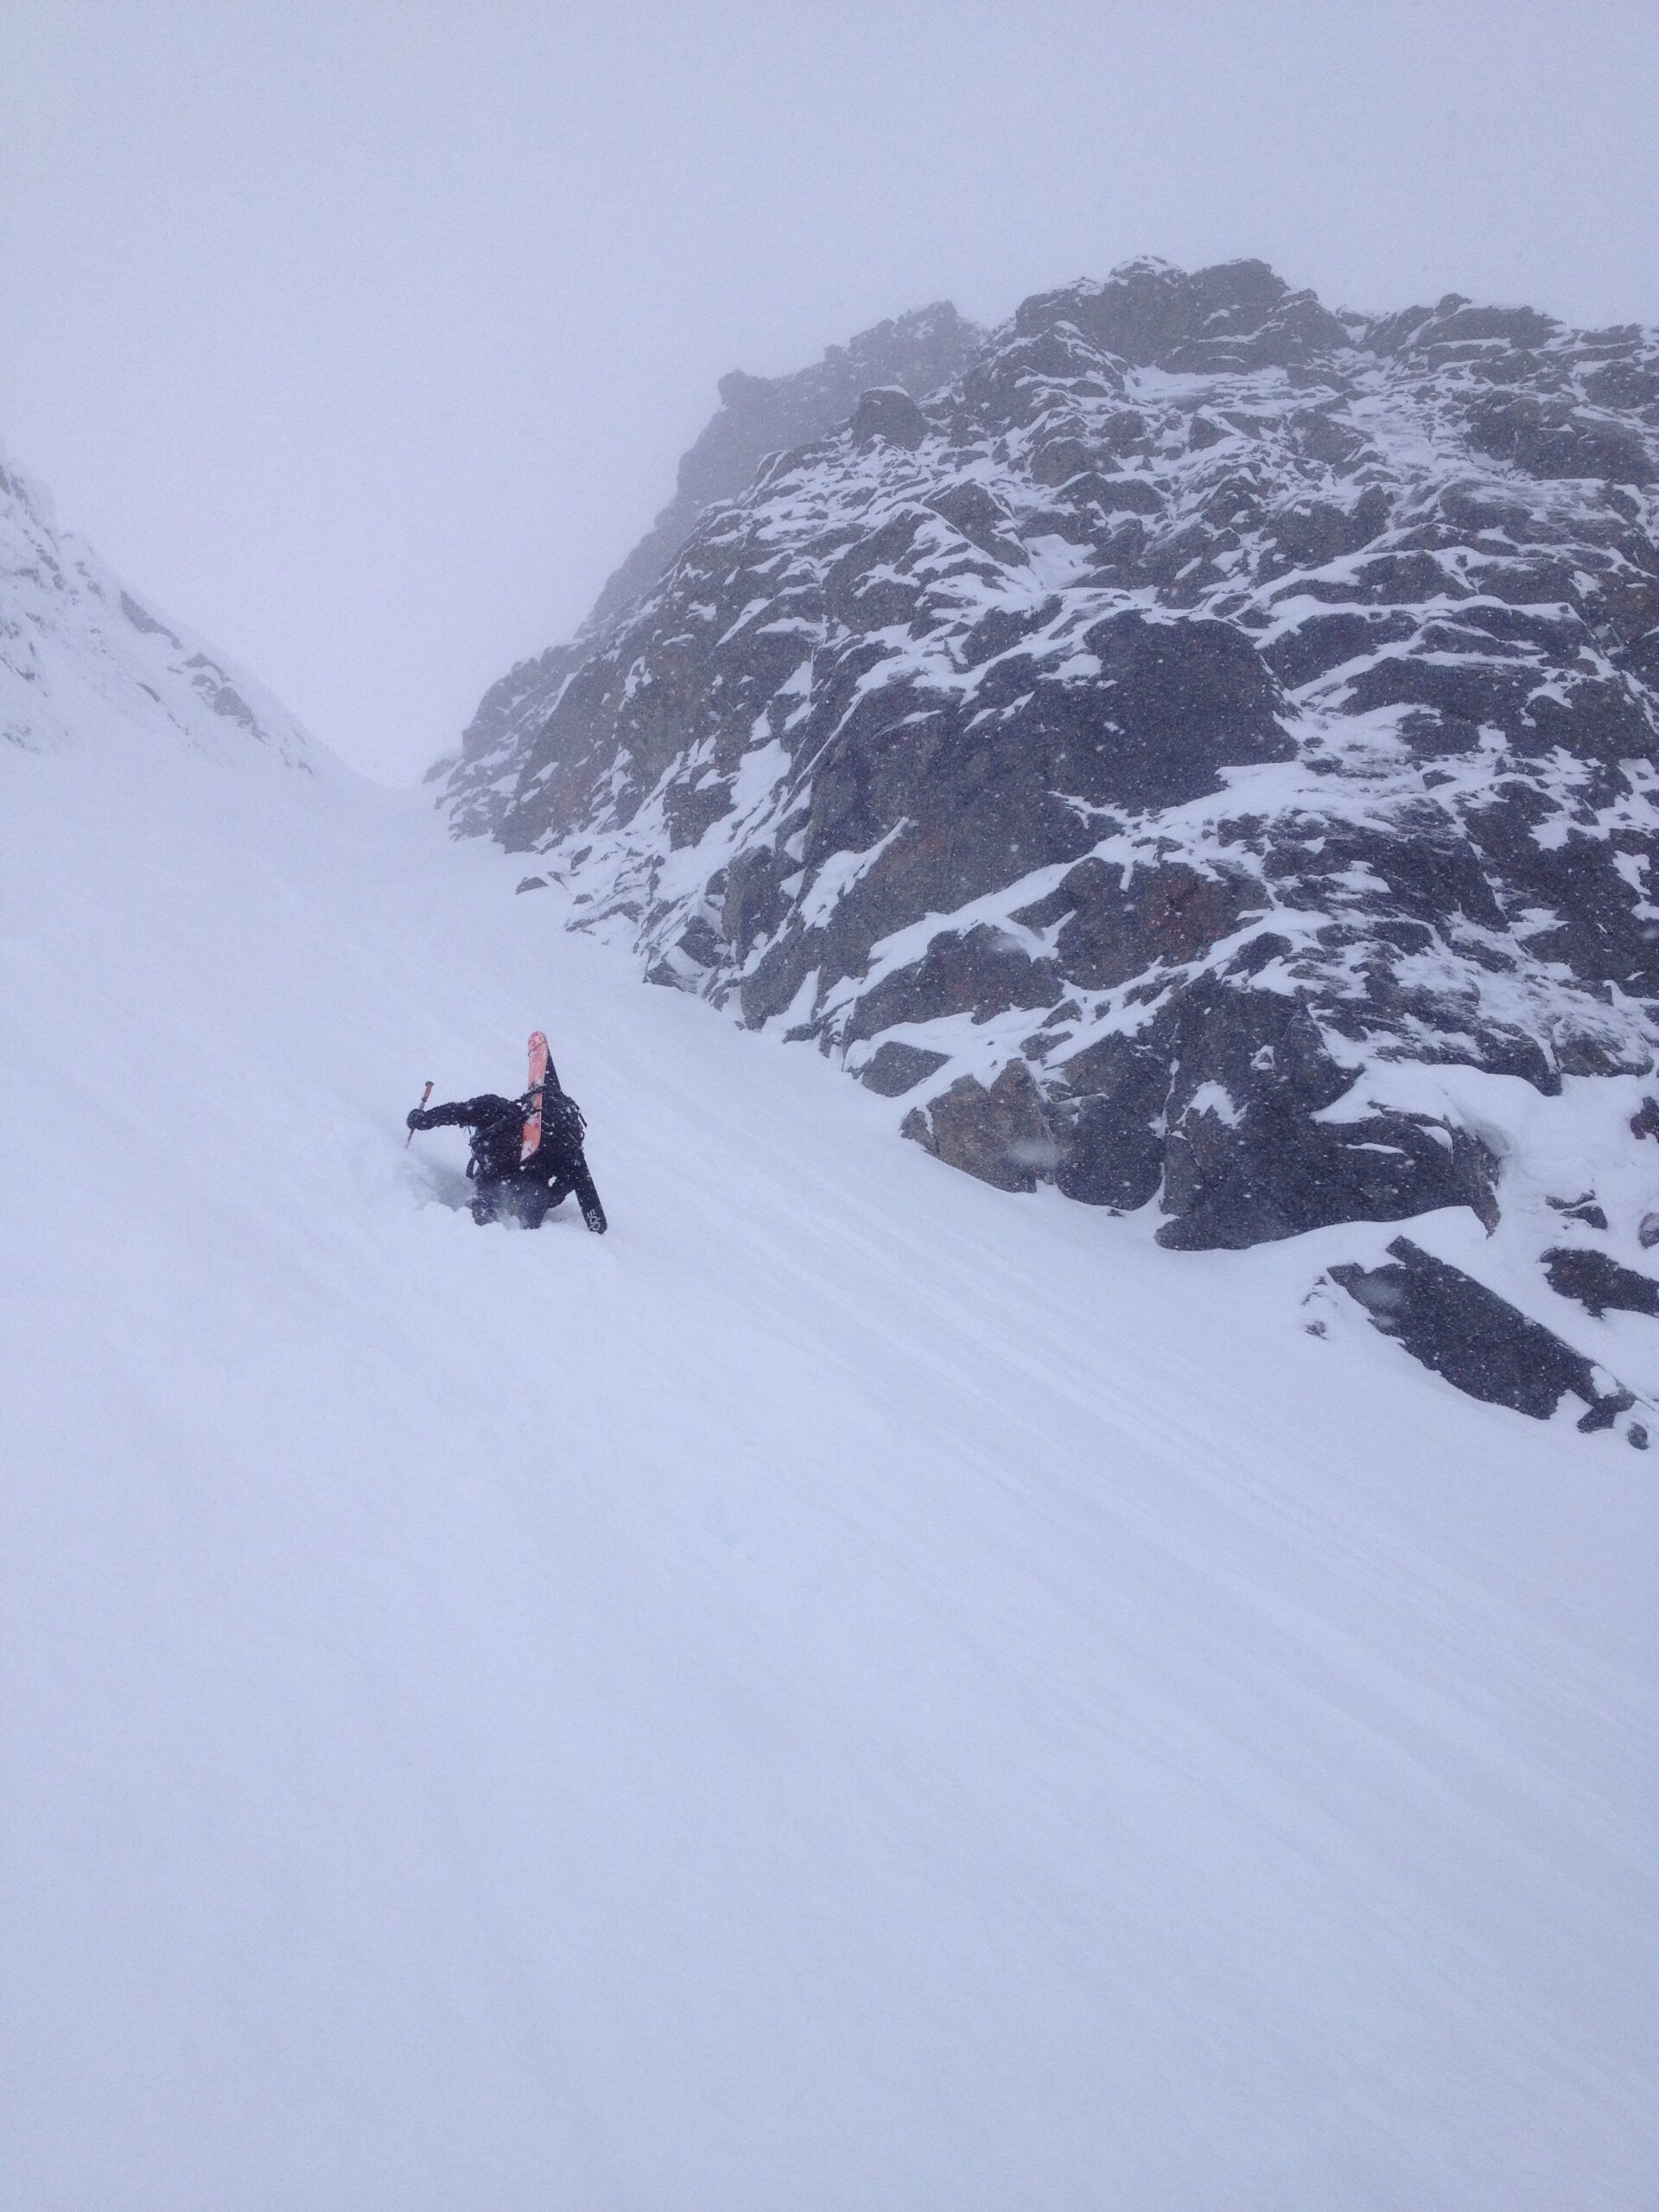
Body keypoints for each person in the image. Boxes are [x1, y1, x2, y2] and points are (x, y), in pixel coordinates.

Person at [407, 1077, 605, 1231]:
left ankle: (502, 1243)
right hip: (512, 1181)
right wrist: (427, 1119)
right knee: (499, 1211)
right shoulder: (496, 1111)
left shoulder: (500, 1113)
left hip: (518, 1180)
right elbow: (459, 1111)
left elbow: (457, 1111)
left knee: (503, 1209)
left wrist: (550, 1198)